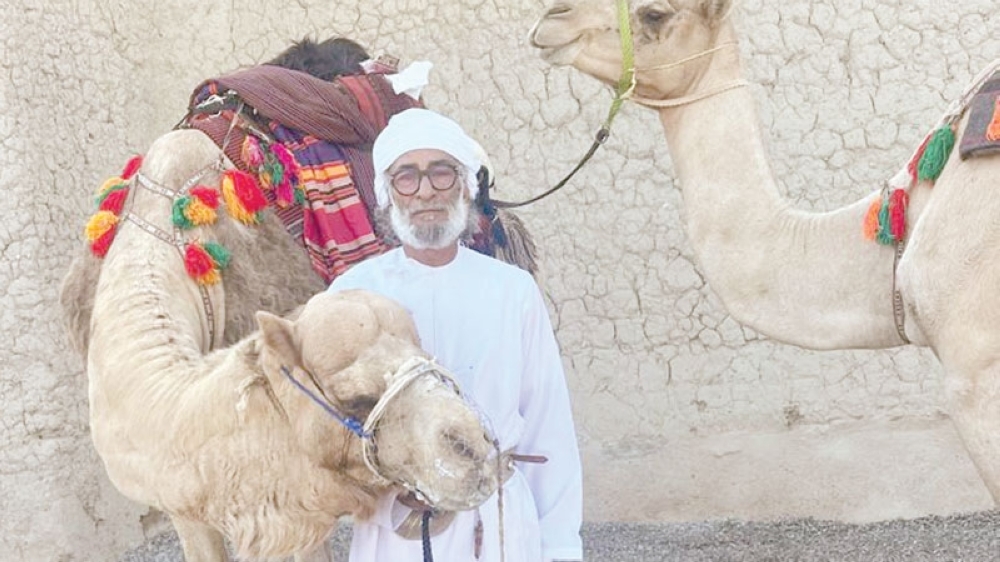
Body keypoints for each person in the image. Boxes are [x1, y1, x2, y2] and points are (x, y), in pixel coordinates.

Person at [327, 108, 583, 562]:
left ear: (466, 186)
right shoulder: (353, 295)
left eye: (440, 173)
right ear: (387, 194)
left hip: (500, 525)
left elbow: (549, 429)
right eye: (406, 176)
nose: (425, 190)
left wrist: (561, 547)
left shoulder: (512, 290)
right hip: (395, 531)